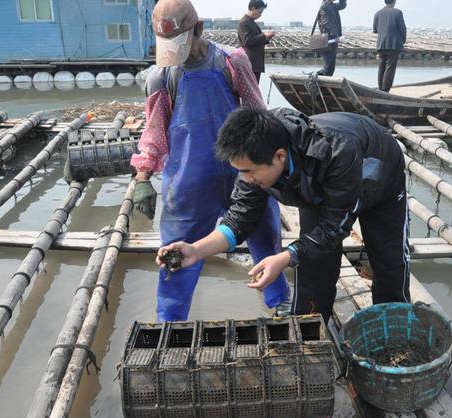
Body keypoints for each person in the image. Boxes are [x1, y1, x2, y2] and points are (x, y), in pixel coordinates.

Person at [159, 107, 410, 324]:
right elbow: (239, 218)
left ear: (279, 157)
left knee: (389, 262)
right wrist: (196, 250)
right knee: (313, 262)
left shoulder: (337, 151)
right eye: (240, 172)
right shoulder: (257, 156)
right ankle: (309, 330)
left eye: (248, 172)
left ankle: (395, 329)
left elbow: (335, 227)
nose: (245, 180)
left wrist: (285, 256)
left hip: (380, 178)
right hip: (318, 186)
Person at [130, 0, 289, 321]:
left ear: (199, 29)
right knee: (177, 253)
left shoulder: (231, 62)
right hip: (189, 183)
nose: (178, 57)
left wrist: (274, 167)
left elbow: (258, 114)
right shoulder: (161, 77)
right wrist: (143, 176)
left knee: (265, 235)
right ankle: (170, 320)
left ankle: (279, 302)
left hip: (243, 174)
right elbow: (154, 131)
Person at [373, 0, 407, 92]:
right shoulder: (398, 12)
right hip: (394, 45)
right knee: (390, 68)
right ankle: (385, 90)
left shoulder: (377, 13)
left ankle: (380, 89)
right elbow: (402, 29)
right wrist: (402, 41)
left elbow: (375, 30)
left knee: (381, 66)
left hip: (381, 44)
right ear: (394, 1)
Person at [238, 0, 275, 83]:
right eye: (260, 12)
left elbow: (255, 40)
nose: (260, 15)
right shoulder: (244, 23)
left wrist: (266, 38)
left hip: (255, 64)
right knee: (251, 91)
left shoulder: (251, 22)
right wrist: (264, 36)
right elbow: (247, 41)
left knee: (254, 91)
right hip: (249, 63)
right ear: (253, 9)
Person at [315, 0, 347, 76]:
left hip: (332, 40)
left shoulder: (332, 5)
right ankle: (323, 85)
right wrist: (336, 36)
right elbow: (326, 23)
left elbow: (342, 5)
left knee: (330, 65)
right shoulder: (325, 6)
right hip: (328, 40)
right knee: (329, 66)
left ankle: (319, 78)